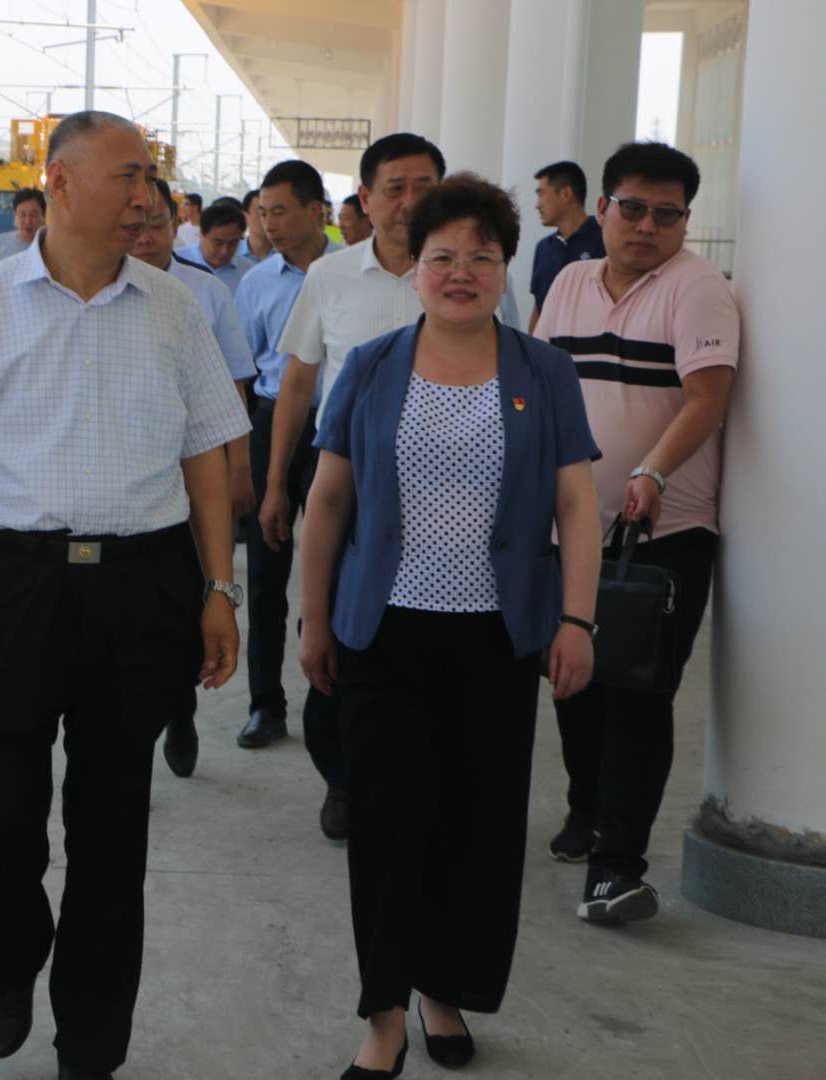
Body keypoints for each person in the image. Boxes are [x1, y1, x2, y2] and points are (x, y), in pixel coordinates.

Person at [0, 110, 249, 1080]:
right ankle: (12, 951)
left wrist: (219, 587)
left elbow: (207, 458)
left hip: (142, 586)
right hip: (16, 586)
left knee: (112, 828)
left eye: (149, 177)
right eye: (127, 174)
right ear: (63, 182)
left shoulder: (173, 309)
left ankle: (91, 1039)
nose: (144, 194)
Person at [298, 174, 602, 1079]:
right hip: (383, 634)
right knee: (389, 828)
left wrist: (577, 619)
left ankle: (444, 987)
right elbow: (327, 502)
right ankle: (384, 1014)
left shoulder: (543, 370)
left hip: (496, 639)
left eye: (482, 256)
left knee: (476, 829)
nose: (462, 272)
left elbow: (576, 506)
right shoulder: (372, 365)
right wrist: (314, 620)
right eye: (443, 257)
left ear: (506, 267)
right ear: (415, 267)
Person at [534, 141, 738, 924]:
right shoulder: (569, 283)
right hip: (570, 530)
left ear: (686, 221)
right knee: (573, 679)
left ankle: (616, 869)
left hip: (664, 535)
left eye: (667, 214)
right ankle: (586, 810)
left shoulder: (698, 289)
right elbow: (539, 385)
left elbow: (707, 399)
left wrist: (650, 471)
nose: (647, 226)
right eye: (633, 208)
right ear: (602, 210)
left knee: (638, 694)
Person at [256, 133, 445, 840]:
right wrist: (277, 483)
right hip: (346, 485)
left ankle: (415, 776)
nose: (408, 202)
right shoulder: (330, 277)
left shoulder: (469, 276)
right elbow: (298, 384)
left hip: (443, 492)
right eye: (394, 188)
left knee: (422, 638)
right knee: (332, 631)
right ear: (365, 198)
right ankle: (341, 776)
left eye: (424, 187)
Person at [135, 176, 258, 778]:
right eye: (136, 225)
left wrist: (239, 468)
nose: (146, 237)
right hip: (130, 479)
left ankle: (179, 711)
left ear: (175, 227)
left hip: (194, 475)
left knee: (186, 597)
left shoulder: (203, 292)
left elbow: (234, 383)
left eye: (158, 224)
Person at [229, 159, 338, 763]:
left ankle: (332, 695)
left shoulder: (348, 273)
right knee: (267, 571)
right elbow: (245, 370)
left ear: (316, 211)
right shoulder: (255, 283)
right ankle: (264, 704)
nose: (268, 223)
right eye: (262, 212)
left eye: (280, 211)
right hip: (272, 424)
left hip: (336, 432)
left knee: (334, 567)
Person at [527, 160, 606, 335]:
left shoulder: (604, 240)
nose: (537, 205)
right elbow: (539, 309)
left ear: (565, 194)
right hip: (548, 349)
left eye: (541, 194)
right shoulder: (543, 248)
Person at [176, 199, 250, 296]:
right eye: (218, 242)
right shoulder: (176, 261)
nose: (225, 251)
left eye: (233, 243)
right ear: (201, 234)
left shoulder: (247, 272)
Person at [0, 187, 46, 265]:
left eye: (33, 215)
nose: (28, 221)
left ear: (43, 216)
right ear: (15, 215)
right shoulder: (0, 242)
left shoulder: (49, 245)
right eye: (22, 215)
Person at [241, 187, 273, 264]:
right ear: (245, 216)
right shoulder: (231, 253)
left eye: (274, 213)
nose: (269, 219)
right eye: (261, 213)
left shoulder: (289, 255)